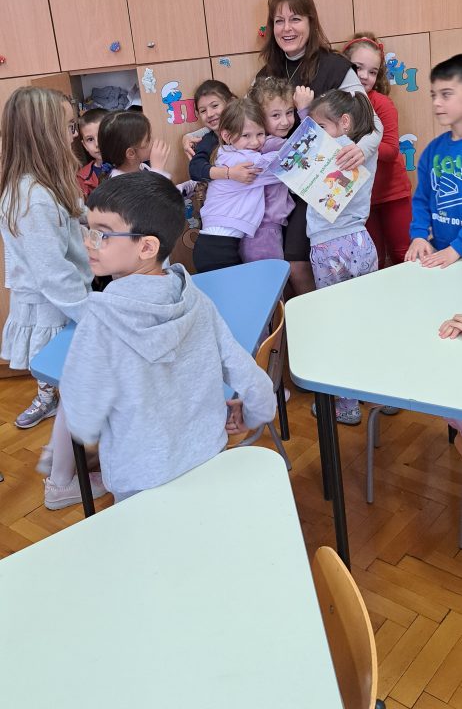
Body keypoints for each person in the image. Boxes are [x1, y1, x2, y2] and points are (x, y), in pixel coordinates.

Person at [59, 172, 276, 502]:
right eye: (87, 230)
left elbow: (83, 416)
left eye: (101, 234)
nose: (88, 242)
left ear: (147, 246)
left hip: (139, 476)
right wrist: (252, 415)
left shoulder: (99, 319)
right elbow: (254, 382)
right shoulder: (196, 300)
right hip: (207, 458)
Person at [0, 87, 106, 508]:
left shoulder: (48, 183)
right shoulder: (30, 197)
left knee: (77, 390)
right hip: (55, 310)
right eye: (68, 127)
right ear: (43, 132)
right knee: (77, 388)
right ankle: (61, 481)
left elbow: (75, 227)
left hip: (67, 304)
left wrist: (99, 236)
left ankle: (61, 458)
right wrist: (93, 314)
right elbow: (54, 276)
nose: (74, 135)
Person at [257, 0, 383, 294]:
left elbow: (373, 124)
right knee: (294, 265)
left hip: (326, 181)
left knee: (315, 263)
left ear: (311, 22)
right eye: (279, 21)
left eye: (295, 19)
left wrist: (360, 149)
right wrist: (196, 136)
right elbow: (245, 121)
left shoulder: (335, 67)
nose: (286, 28)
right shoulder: (266, 75)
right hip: (287, 186)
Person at [306, 90, 378, 425]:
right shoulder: (366, 149)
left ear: (344, 122)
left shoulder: (326, 151)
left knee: (337, 326)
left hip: (328, 248)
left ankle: (346, 406)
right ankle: (380, 396)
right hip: (361, 242)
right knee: (367, 320)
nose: (316, 133)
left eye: (320, 126)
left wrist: (302, 113)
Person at [342, 32, 412, 269]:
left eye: (372, 72)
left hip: (393, 195)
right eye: (358, 68)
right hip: (362, 200)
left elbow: (391, 150)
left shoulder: (381, 103)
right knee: (372, 262)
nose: (365, 76)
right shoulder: (337, 105)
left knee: (404, 254)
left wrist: (358, 147)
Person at [192, 97, 281, 274]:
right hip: (218, 248)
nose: (255, 142)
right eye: (246, 135)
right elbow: (285, 164)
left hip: (213, 246)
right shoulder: (244, 161)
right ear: (226, 136)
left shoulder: (226, 153)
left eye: (260, 134)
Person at [405, 54, 462, 269]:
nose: (436, 102)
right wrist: (419, 235)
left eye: (446, 94)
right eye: (433, 95)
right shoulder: (432, 151)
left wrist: (457, 248)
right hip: (442, 254)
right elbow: (422, 199)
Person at [240, 76, 298, 261]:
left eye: (290, 112)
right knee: (271, 275)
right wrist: (305, 110)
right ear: (258, 117)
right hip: (265, 230)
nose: (285, 121)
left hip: (254, 229)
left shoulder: (255, 144)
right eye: (276, 115)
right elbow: (309, 151)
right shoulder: (274, 144)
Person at [186, 79, 260, 187]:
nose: (209, 114)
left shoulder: (251, 126)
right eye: (203, 111)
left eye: (215, 106)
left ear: (231, 102)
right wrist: (229, 173)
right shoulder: (208, 141)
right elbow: (195, 169)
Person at [98, 109, 170, 178]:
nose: (153, 141)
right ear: (131, 153)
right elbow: (155, 187)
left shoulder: (141, 167)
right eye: (148, 139)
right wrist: (157, 170)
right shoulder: (120, 182)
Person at [75, 107, 109, 198]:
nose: (97, 144)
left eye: (102, 135)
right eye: (90, 139)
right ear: (85, 145)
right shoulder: (82, 178)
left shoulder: (129, 164)